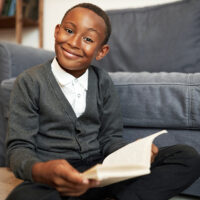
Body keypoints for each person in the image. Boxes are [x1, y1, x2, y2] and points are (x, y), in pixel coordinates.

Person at [6, 3, 200, 200]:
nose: (74, 42)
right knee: (21, 197)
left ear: (101, 51)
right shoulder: (30, 81)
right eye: (69, 30)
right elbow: (19, 148)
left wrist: (134, 152)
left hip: (101, 172)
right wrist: (43, 171)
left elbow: (110, 139)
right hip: (57, 177)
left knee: (186, 156)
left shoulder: (102, 81)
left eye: (88, 39)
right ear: (57, 32)